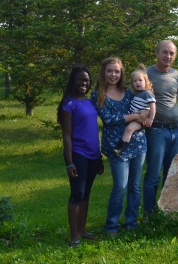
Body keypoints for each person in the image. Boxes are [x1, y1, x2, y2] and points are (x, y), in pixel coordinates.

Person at [91, 57, 148, 236]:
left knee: (135, 186)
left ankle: (131, 223)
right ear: (103, 72)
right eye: (110, 71)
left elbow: (145, 111)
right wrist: (132, 117)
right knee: (120, 186)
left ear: (121, 73)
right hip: (116, 147)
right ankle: (112, 225)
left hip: (138, 144)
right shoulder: (98, 94)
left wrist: (144, 115)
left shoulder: (130, 92)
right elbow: (109, 119)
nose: (113, 74)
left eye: (117, 71)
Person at [57, 66, 104, 247]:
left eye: (86, 80)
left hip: (93, 155)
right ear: (73, 81)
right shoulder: (68, 104)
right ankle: (74, 235)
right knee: (77, 194)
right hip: (78, 154)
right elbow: (67, 136)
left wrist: (99, 157)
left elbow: (92, 131)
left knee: (86, 194)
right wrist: (69, 163)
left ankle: (83, 230)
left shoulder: (89, 101)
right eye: (80, 80)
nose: (84, 83)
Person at [143, 40, 178, 217]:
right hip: (157, 131)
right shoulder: (146, 74)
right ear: (157, 53)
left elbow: (176, 99)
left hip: (176, 131)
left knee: (172, 175)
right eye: (164, 52)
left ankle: (169, 212)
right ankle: (150, 214)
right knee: (153, 176)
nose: (168, 56)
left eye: (171, 53)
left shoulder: (176, 75)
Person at [113, 64, 155, 157]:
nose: (138, 83)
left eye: (140, 80)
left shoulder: (147, 93)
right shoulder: (137, 94)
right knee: (127, 129)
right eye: (135, 81)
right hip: (134, 117)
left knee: (129, 129)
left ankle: (119, 148)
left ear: (146, 82)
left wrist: (151, 118)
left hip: (140, 120)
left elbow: (153, 106)